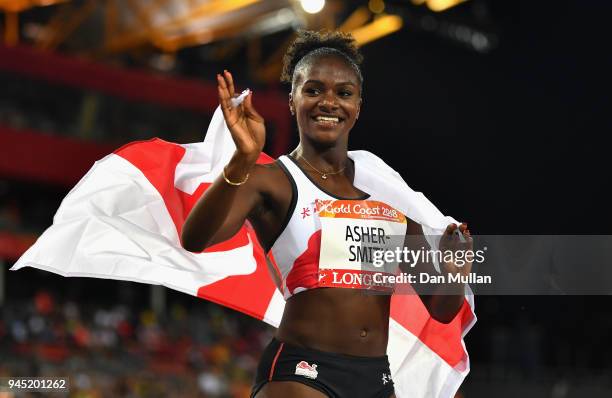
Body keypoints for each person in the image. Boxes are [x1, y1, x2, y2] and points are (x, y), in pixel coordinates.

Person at [181, 30, 472, 398]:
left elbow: (441, 309)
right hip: (302, 373)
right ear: (292, 100)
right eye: (314, 90)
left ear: (358, 106)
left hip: (375, 381)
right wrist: (241, 160)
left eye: (343, 93)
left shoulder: (389, 196)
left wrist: (453, 272)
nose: (328, 102)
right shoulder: (273, 181)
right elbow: (196, 238)